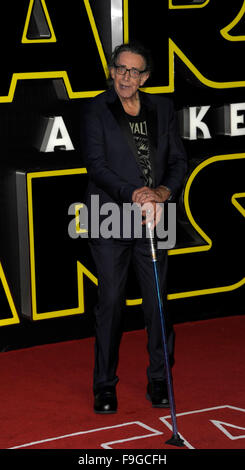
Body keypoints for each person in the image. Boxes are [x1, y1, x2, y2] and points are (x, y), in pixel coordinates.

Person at [81, 42, 187, 414]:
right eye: (119, 69)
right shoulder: (96, 109)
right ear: (112, 71)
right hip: (110, 214)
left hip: (155, 214)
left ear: (145, 77)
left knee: (157, 302)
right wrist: (136, 193)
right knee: (110, 303)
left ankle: (160, 379)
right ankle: (104, 386)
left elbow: (177, 160)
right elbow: (96, 166)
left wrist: (160, 193)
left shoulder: (163, 108)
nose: (125, 77)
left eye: (133, 71)